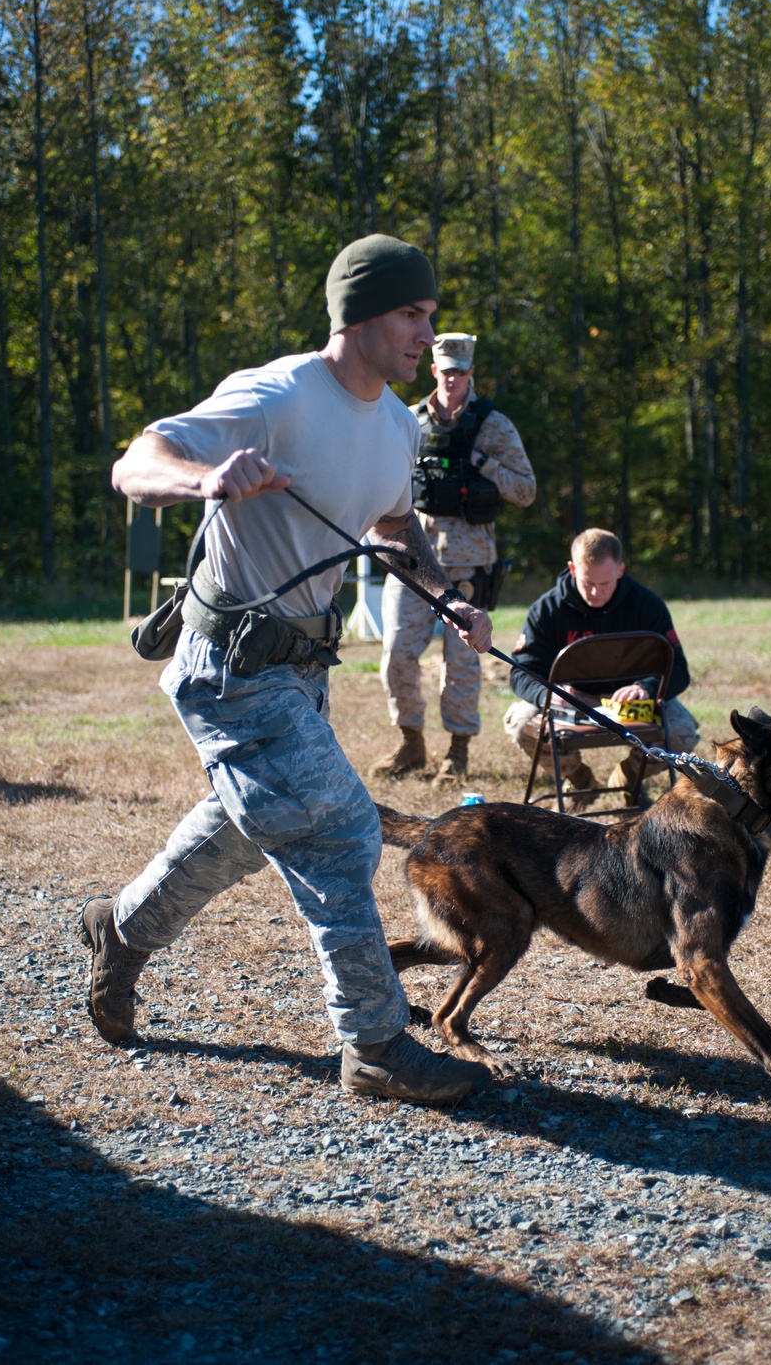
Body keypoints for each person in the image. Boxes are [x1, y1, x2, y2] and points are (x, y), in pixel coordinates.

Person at [82, 234, 494, 1105]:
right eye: (411, 314)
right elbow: (134, 464)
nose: (428, 333)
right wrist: (207, 479)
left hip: (301, 671)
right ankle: (376, 1042)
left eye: (429, 314)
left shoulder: (395, 422)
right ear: (358, 314)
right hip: (229, 668)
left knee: (238, 834)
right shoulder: (277, 393)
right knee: (339, 827)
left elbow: (390, 524)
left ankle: (118, 932)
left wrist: (444, 593)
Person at [373, 331, 535, 786]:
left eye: (461, 373)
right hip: (411, 560)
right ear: (434, 372)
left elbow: (526, 491)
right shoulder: (407, 420)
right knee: (396, 656)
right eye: (446, 372)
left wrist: (486, 465)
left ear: (471, 373)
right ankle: (411, 742)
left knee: (461, 665)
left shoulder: (494, 426)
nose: (453, 381)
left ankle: (457, 752)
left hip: (468, 565)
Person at [503, 528, 699, 810]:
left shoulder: (647, 605)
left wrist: (646, 686)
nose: (595, 592)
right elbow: (521, 671)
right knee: (522, 724)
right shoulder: (546, 609)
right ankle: (580, 780)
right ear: (572, 568)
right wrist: (548, 692)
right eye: (587, 583)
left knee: (682, 731)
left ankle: (630, 776)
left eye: (604, 583)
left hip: (632, 702)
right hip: (571, 700)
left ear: (620, 569)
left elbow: (678, 669)